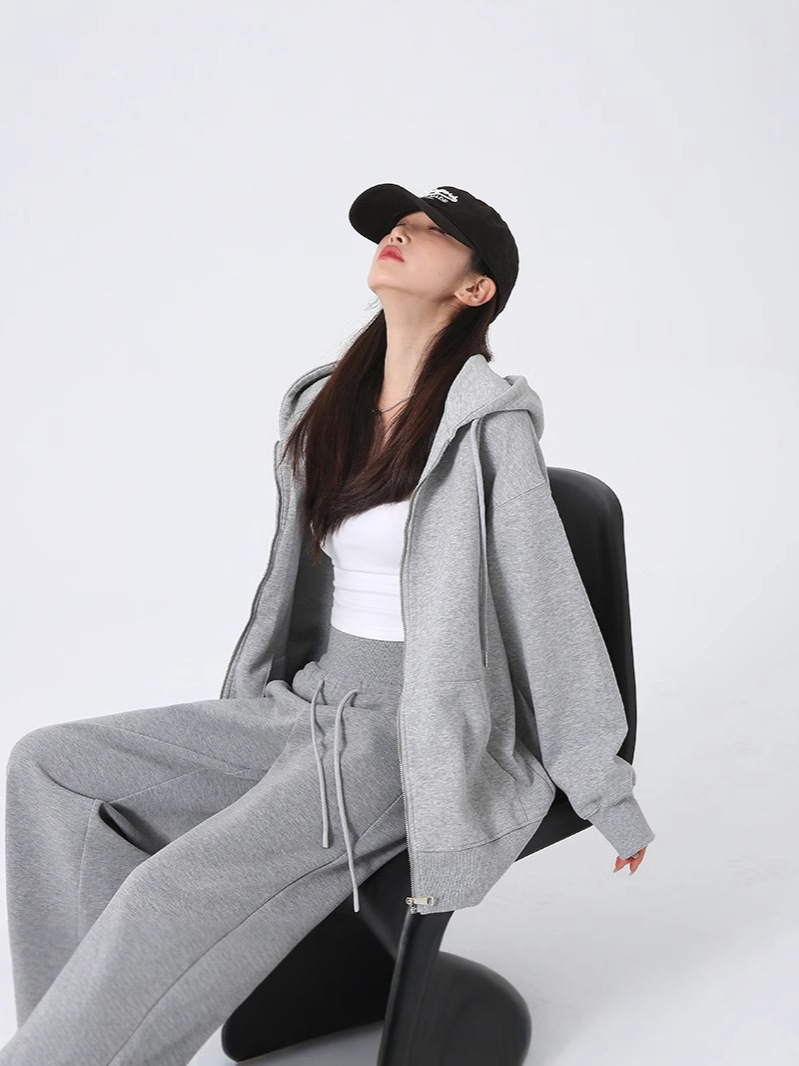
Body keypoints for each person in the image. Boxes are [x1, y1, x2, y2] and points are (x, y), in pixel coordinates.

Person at [0, 183, 654, 1066]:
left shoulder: (486, 431)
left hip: (404, 736)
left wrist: (605, 792)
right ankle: (67, 1045)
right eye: (397, 225)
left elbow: (550, 610)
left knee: (169, 890)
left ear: (475, 289)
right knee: (51, 768)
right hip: (304, 706)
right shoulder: (327, 408)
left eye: (429, 232)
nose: (400, 235)